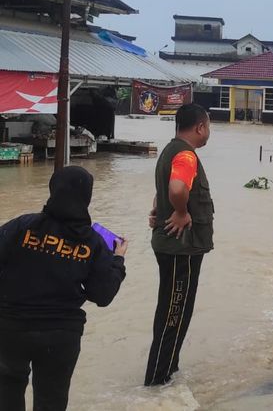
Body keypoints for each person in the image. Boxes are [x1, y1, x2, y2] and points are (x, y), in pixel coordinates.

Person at [0, 166, 127, 411]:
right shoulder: (93, 243)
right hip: (60, 336)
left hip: (10, 329)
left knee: (7, 393)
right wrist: (118, 260)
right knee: (52, 401)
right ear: (86, 198)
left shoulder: (22, 226)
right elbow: (102, 294)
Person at [145, 103, 214, 386]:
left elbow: (163, 190)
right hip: (180, 249)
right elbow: (175, 188)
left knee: (171, 312)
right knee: (174, 315)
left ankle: (167, 374)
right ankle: (157, 383)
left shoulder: (170, 150)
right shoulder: (186, 155)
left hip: (171, 245)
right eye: (208, 126)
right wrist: (182, 212)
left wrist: (161, 210)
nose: (209, 132)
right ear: (200, 127)